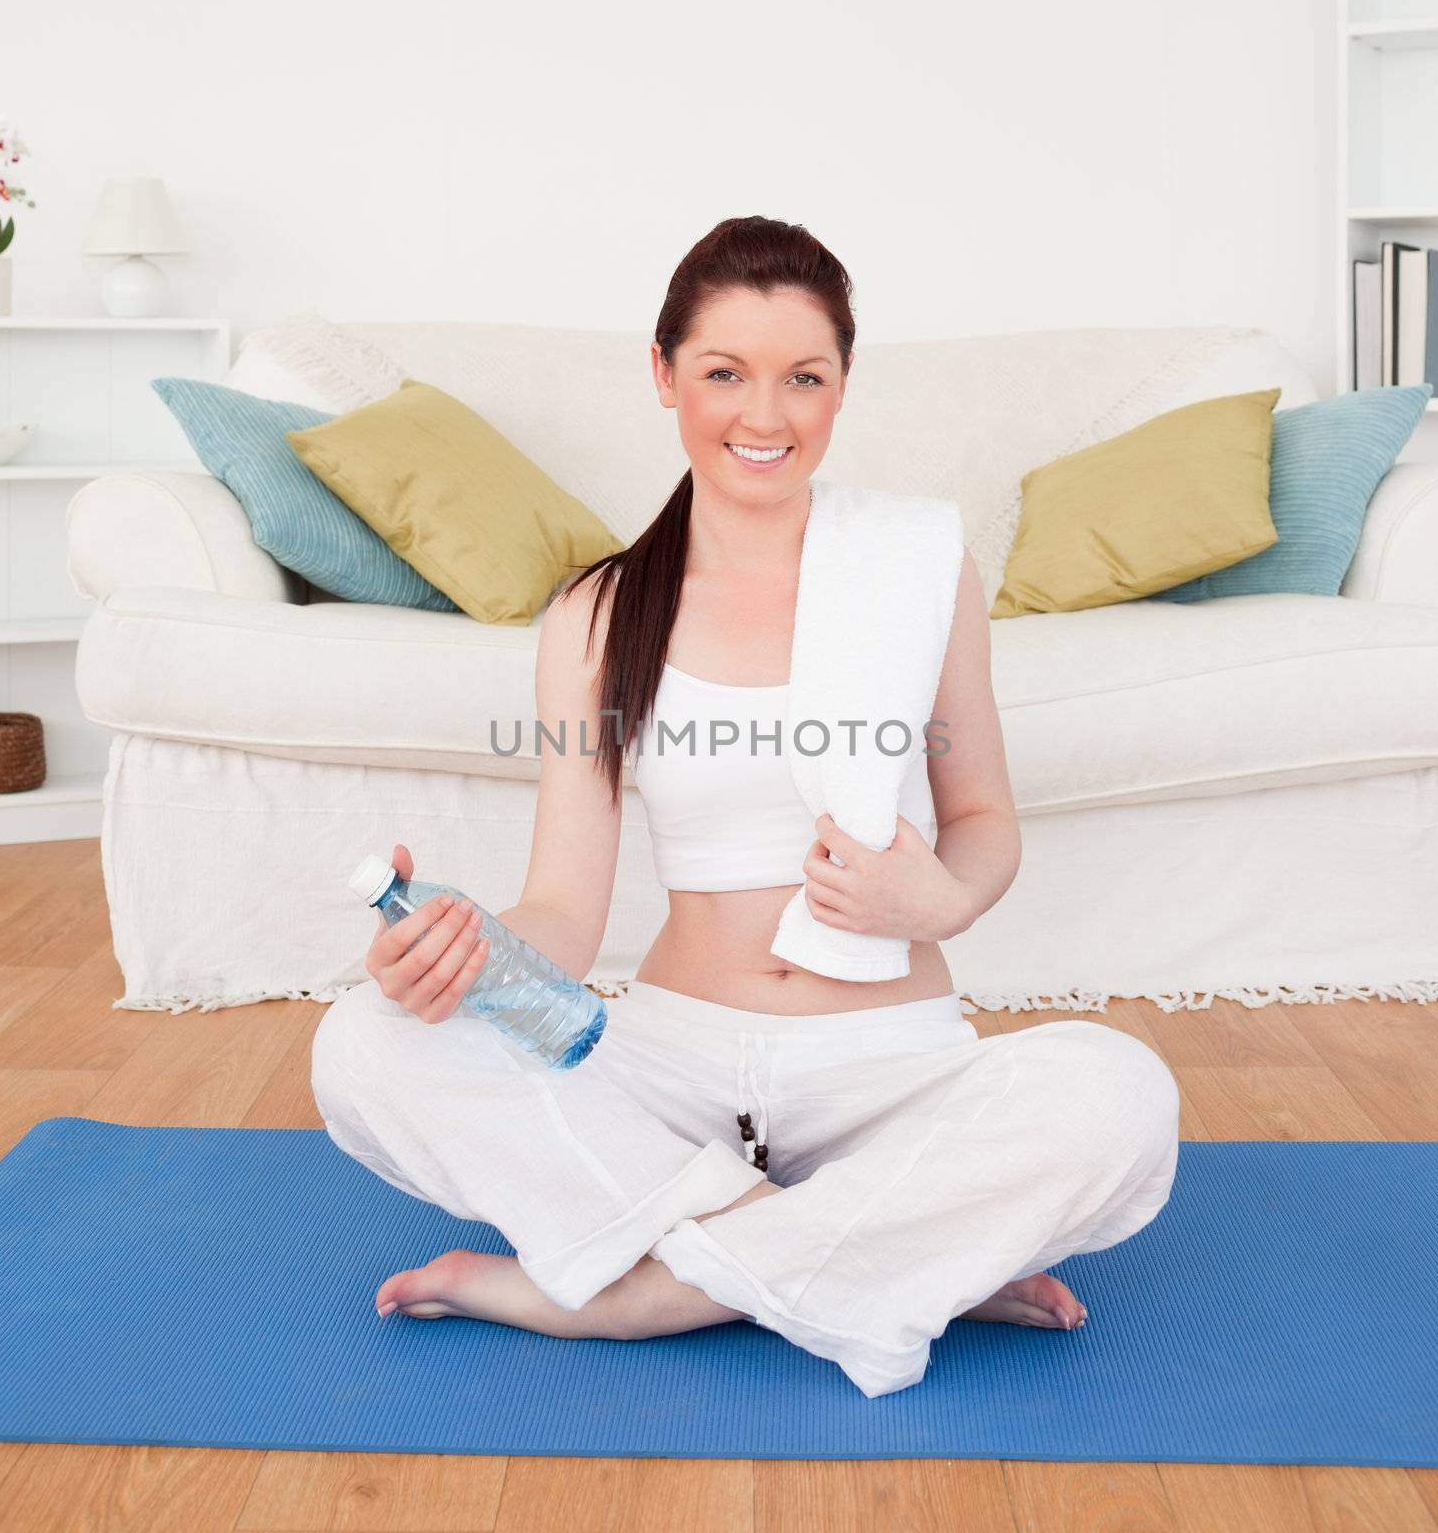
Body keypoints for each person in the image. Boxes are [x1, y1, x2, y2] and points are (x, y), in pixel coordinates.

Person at [311, 215, 1180, 1398]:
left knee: (1118, 1093)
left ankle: (637, 1296)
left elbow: (982, 819)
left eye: (801, 378)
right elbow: (566, 907)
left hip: (887, 1066)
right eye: (723, 373)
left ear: (840, 386)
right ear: (664, 374)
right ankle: (875, 1250)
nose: (762, 417)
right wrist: (464, 952)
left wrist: (942, 895)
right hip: (665, 1065)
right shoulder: (597, 614)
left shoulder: (920, 561)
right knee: (361, 1039)